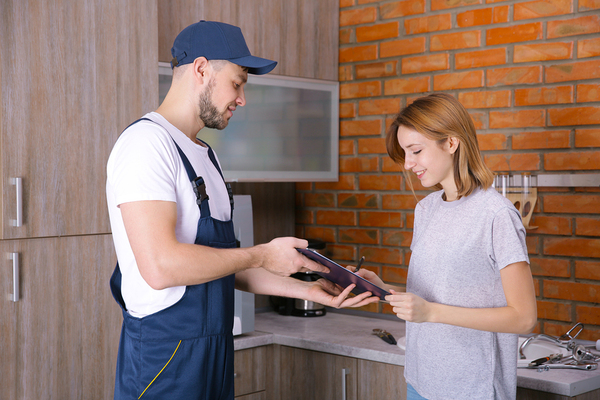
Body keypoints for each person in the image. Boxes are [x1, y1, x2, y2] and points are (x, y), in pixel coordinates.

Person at [106, 20, 378, 400]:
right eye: (237, 82)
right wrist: (264, 254)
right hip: (164, 357)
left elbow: (225, 266)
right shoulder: (146, 145)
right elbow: (161, 266)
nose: (242, 98)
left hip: (213, 353)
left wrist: (313, 291)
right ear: (201, 69)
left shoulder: (207, 157)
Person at [356, 93, 537, 400]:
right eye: (404, 153)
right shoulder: (426, 210)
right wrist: (385, 290)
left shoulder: (496, 215)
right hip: (420, 380)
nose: (408, 164)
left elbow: (523, 317)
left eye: (415, 150)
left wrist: (431, 313)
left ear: (451, 143)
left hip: (471, 389)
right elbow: (440, 293)